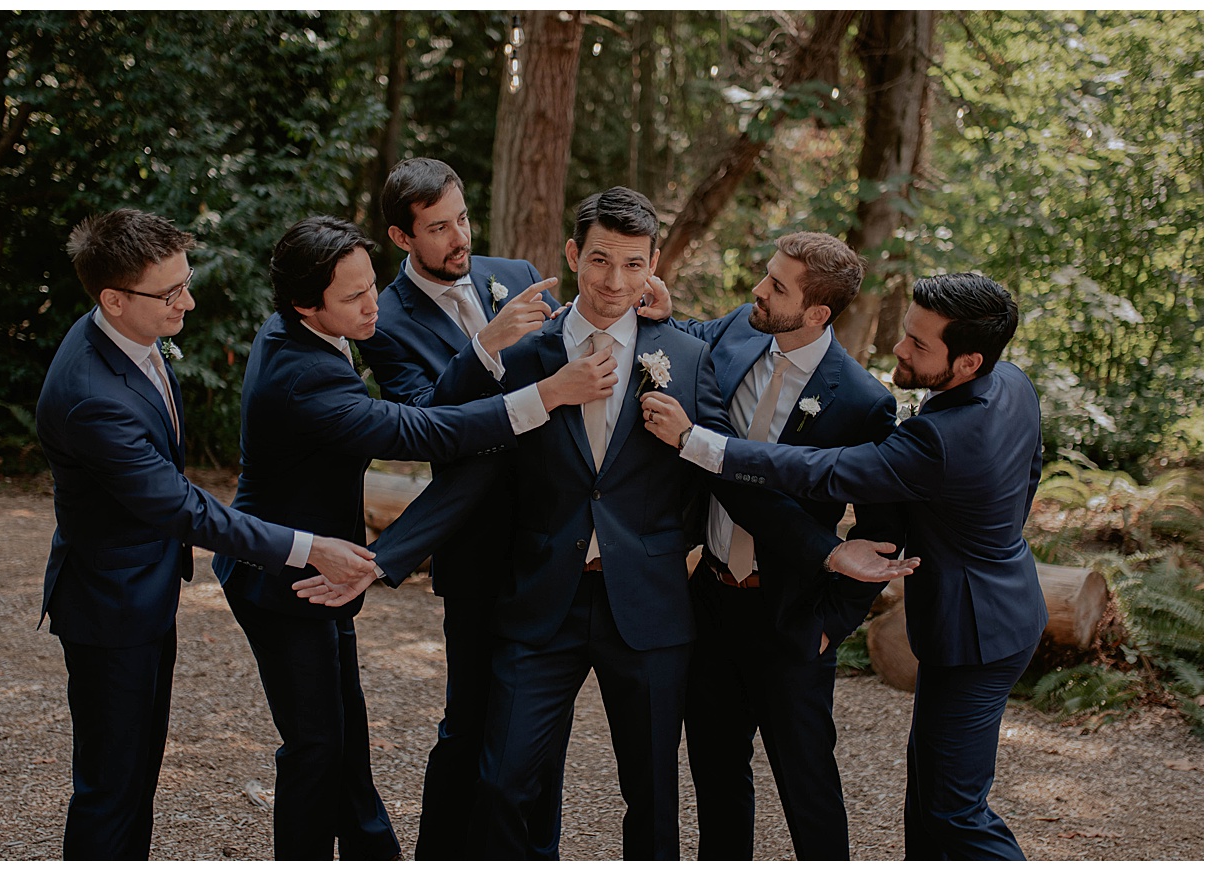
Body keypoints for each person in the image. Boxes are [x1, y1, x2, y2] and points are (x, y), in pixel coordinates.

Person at [356, 188, 917, 859]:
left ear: (652, 266)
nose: (612, 280)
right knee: (503, 780)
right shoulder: (528, 353)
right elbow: (471, 467)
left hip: (649, 607)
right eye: (598, 260)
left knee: (652, 799)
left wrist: (825, 555)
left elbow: (727, 474)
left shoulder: (686, 358)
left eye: (631, 263)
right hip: (542, 603)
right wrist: (383, 559)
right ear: (573, 255)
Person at [210, 215, 615, 860]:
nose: (374, 305)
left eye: (372, 285)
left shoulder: (309, 332)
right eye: (353, 298)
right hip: (281, 573)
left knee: (345, 734)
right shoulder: (301, 374)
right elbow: (419, 433)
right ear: (304, 305)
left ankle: (377, 855)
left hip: (324, 563)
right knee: (316, 747)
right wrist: (550, 394)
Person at [643, 272, 1046, 860]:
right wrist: (993, 534)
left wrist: (696, 442)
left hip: (977, 630)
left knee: (954, 813)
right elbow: (1032, 463)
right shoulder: (1010, 381)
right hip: (996, 601)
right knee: (929, 800)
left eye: (919, 345)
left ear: (967, 362)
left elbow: (821, 471)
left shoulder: (941, 438)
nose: (899, 350)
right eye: (907, 333)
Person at [35, 208, 379, 860]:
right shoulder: (90, 393)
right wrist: (309, 548)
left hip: (142, 590)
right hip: (110, 607)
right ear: (114, 298)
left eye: (183, 283)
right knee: (112, 789)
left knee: (134, 780)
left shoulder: (121, 336)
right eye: (170, 294)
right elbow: (186, 510)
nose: (187, 302)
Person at [658, 231, 905, 859]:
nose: (756, 292)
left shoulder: (863, 401)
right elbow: (690, 330)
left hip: (792, 615)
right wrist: (660, 305)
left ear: (816, 313)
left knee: (808, 784)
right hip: (711, 599)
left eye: (776, 286)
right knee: (715, 775)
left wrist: (833, 623)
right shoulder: (741, 330)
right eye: (766, 276)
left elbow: (882, 530)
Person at [355, 157, 568, 859]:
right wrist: (487, 344)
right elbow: (422, 426)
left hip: (552, 538)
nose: (459, 237)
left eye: (462, 217)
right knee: (470, 720)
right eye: (438, 227)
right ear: (400, 236)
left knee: (544, 727)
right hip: (475, 547)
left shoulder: (513, 270)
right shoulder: (384, 319)